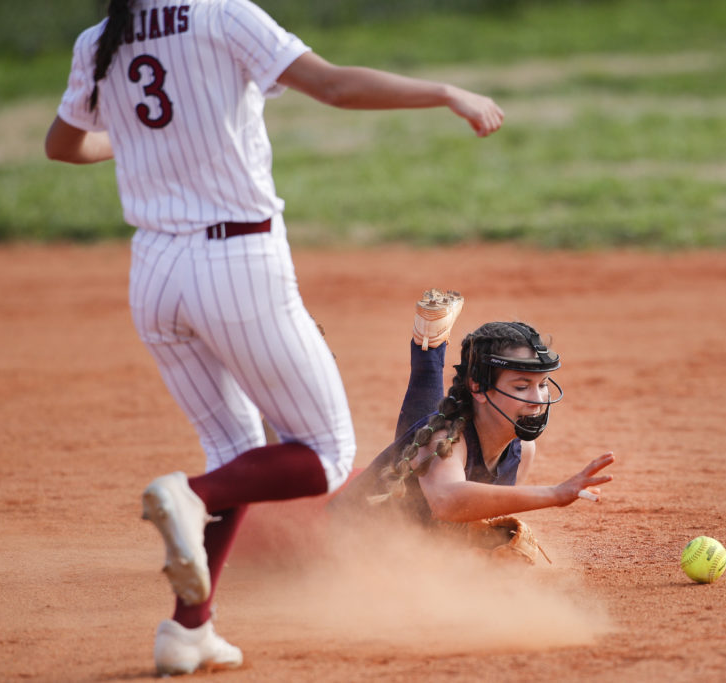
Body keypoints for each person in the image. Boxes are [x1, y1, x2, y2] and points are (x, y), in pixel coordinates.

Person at [45, 0, 504, 676]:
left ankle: (188, 628)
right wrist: (445, 91)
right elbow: (337, 86)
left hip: (153, 274)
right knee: (322, 453)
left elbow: (63, 145)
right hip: (234, 265)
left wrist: (153, 142)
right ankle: (191, 492)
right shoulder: (223, 14)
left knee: (239, 450)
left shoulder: (100, 38)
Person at [331, 289, 616, 537]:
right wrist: (554, 494)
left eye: (542, 385)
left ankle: (428, 352)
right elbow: (446, 501)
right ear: (477, 388)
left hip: (408, 561)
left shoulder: (523, 450)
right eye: (521, 386)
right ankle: (427, 354)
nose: (537, 399)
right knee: (429, 430)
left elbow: (473, 521)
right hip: (338, 548)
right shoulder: (445, 440)